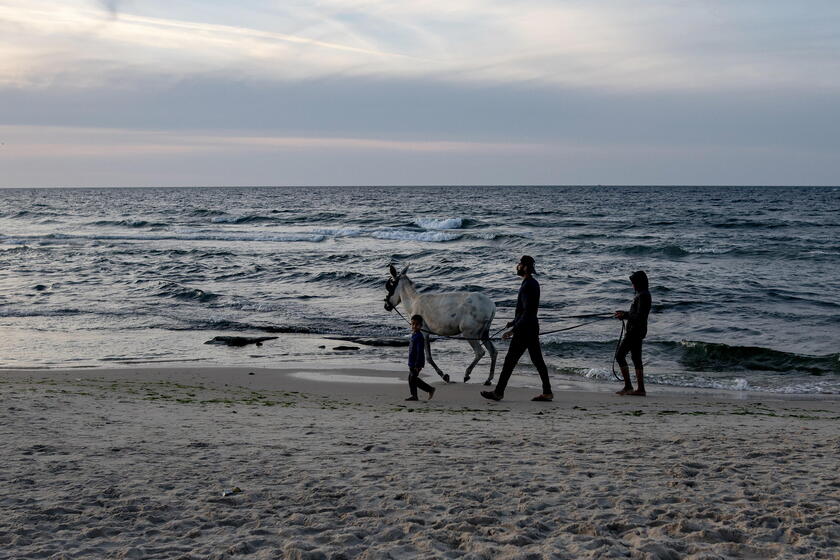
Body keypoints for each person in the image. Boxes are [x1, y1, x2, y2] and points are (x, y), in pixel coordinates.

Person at [481, 255, 553, 402]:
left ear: (525, 267)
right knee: (538, 361)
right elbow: (527, 312)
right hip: (531, 327)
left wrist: (513, 330)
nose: (517, 266)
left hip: (525, 330)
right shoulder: (532, 283)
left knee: (509, 361)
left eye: (520, 264)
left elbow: (527, 312)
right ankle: (547, 392)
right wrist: (513, 322)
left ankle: (498, 392)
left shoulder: (527, 286)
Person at [614, 270, 652, 396]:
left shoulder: (643, 296)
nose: (632, 285)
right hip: (637, 331)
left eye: (634, 283)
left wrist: (624, 315)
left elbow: (640, 317)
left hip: (634, 331)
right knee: (636, 359)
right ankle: (640, 389)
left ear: (639, 283)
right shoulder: (642, 294)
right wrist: (623, 314)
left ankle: (629, 386)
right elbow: (636, 314)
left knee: (620, 356)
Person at [406, 314, 435, 401]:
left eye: (416, 324)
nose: (414, 326)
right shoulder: (414, 335)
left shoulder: (419, 337)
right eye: (413, 324)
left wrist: (418, 365)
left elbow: (420, 352)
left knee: (412, 378)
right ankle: (427, 390)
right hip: (411, 362)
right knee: (412, 379)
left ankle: (420, 393)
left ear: (421, 326)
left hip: (416, 363)